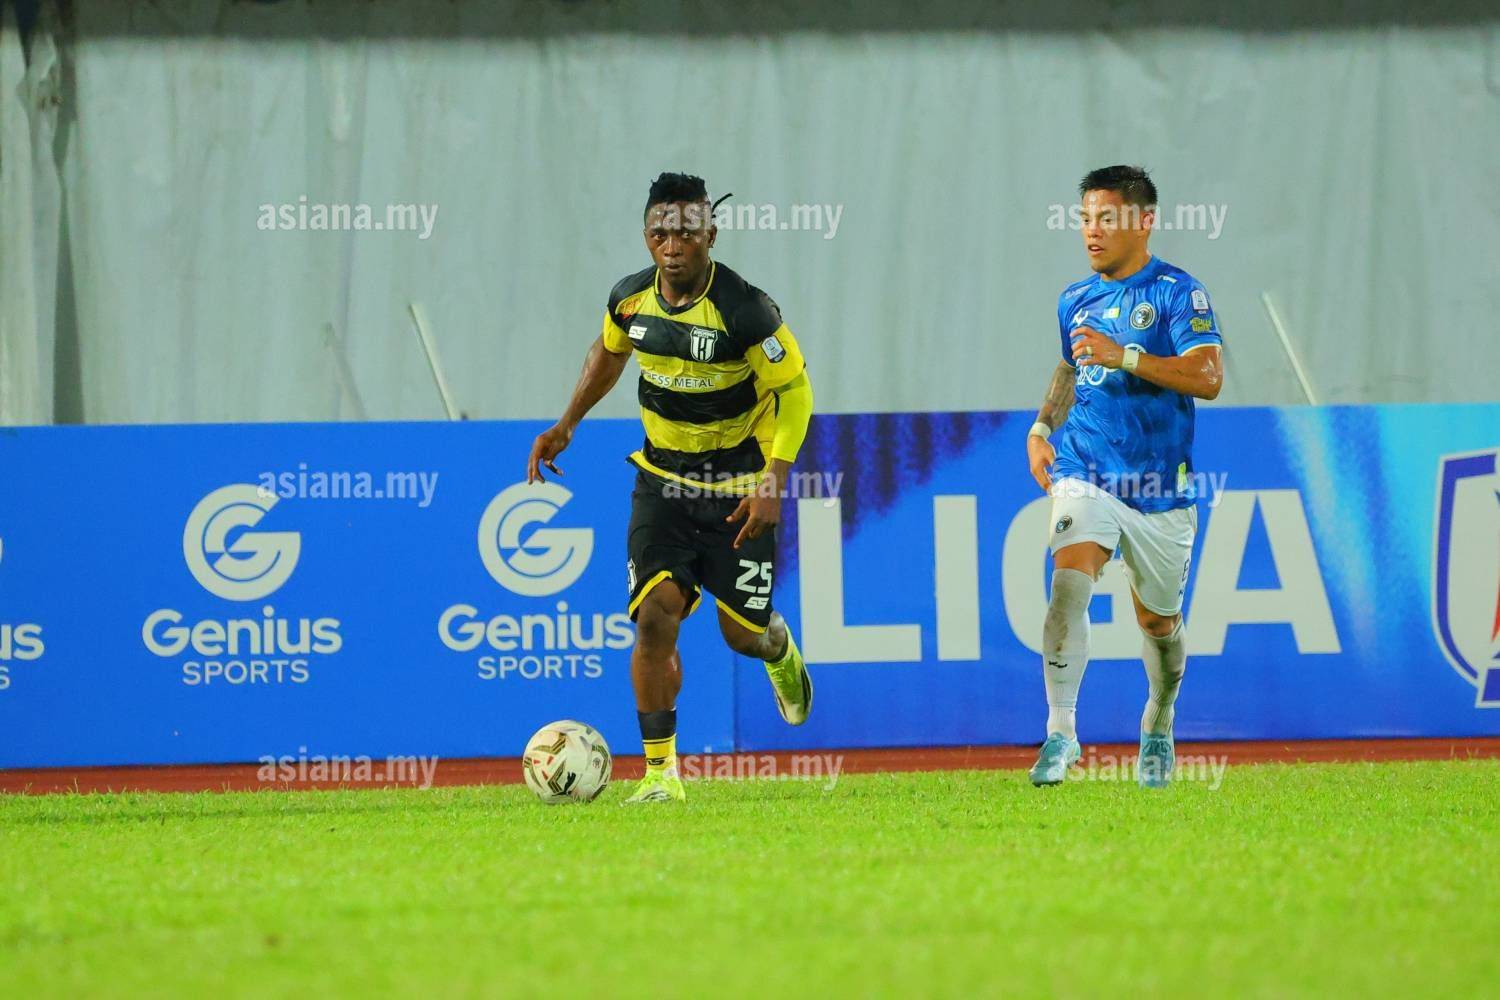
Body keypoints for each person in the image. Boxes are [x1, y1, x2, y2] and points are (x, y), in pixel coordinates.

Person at [527, 172, 815, 803]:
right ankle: (661, 775)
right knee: (655, 617)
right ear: (647, 236)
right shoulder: (630, 300)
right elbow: (609, 352)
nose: (672, 244)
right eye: (660, 232)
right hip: (662, 482)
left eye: (686, 232)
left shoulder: (746, 310)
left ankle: (778, 649)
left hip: (739, 487)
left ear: (710, 235)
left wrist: (774, 480)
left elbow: (795, 392)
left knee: (741, 635)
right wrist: (566, 423)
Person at [1024, 165, 1225, 788]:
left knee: (1159, 625)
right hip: (1086, 470)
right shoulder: (1074, 299)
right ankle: (1061, 733)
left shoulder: (1177, 293)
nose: (1092, 231)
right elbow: (1070, 366)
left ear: (1144, 222)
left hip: (1160, 491)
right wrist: (1041, 427)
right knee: (1068, 585)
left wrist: (1128, 356)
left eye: (1106, 218)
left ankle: (1159, 720)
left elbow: (1208, 377)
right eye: (1086, 218)